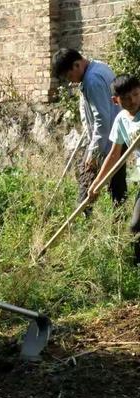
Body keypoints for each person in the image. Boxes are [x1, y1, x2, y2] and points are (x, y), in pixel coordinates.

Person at [52, 48, 127, 211]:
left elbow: (102, 120)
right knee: (118, 189)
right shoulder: (99, 66)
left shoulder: (92, 80)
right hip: (117, 137)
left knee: (88, 186)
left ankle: (82, 223)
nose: (71, 81)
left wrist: (93, 153)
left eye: (69, 76)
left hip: (107, 143)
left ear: (76, 65)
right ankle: (120, 228)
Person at [88, 75, 140, 263]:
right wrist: (97, 183)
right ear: (115, 100)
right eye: (126, 98)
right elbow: (113, 155)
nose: (133, 101)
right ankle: (136, 271)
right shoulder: (121, 120)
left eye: (135, 94)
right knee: (135, 227)